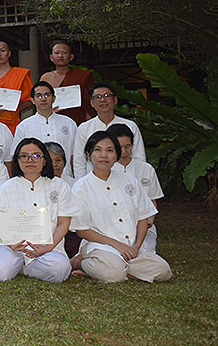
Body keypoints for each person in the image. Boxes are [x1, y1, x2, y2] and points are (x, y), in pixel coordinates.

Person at [71, 131, 171, 283]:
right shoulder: (81, 187)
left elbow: (143, 217)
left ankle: (116, 269)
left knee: (163, 270)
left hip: (131, 248)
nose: (104, 155)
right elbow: (81, 229)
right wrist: (117, 245)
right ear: (88, 154)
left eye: (110, 150)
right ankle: (83, 263)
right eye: (98, 150)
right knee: (113, 274)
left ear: (117, 155)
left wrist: (136, 247)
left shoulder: (129, 180)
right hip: (101, 247)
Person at [0, 138, 78, 283]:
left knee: (61, 270)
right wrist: (10, 242)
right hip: (12, 246)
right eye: (24, 156)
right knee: (0, 273)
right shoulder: (7, 188)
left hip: (47, 246)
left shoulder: (59, 186)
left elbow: (64, 222)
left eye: (36, 156)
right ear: (17, 160)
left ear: (44, 160)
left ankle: (23, 270)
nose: (30, 160)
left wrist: (48, 247)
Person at [109, 123, 163, 253]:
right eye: (119, 147)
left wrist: (148, 222)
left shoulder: (146, 169)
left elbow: (152, 200)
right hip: (112, 229)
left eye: (128, 146)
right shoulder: (105, 170)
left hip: (142, 228)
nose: (124, 152)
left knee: (146, 256)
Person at [72, 84, 146, 179]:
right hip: (95, 180)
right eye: (98, 97)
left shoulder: (130, 125)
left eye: (107, 96)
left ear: (115, 100)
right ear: (92, 103)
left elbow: (139, 156)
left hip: (126, 179)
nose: (103, 100)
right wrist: (81, 182)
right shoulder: (84, 128)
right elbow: (79, 160)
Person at [13, 82, 77, 177]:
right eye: (39, 96)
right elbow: (17, 155)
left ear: (54, 98)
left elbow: (75, 154)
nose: (43, 99)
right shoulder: (24, 126)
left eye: (47, 95)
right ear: (32, 100)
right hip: (36, 177)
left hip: (64, 176)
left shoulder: (68, 123)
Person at [0, 41, 34, 133]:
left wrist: (13, 109)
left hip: (13, 121)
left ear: (9, 53)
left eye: (2, 51)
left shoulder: (20, 74)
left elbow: (29, 100)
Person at [40, 42, 95, 125]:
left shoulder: (82, 76)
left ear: (71, 57)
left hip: (76, 119)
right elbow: (40, 100)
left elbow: (88, 103)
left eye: (64, 53)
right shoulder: (46, 77)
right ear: (51, 57)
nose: (60, 56)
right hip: (52, 119)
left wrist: (88, 122)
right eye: (57, 53)